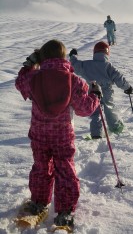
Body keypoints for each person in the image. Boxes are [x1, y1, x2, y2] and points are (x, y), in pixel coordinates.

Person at [15, 39, 101, 228]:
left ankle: (38, 203)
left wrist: (30, 64)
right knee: (65, 171)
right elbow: (85, 109)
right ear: (64, 58)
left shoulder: (33, 78)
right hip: (63, 137)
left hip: (39, 135)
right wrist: (95, 96)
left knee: (40, 167)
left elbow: (20, 82)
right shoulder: (74, 81)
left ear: (42, 57)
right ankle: (65, 212)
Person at [69, 41, 133, 139]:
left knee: (95, 111)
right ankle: (115, 127)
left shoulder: (87, 65)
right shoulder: (108, 66)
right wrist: (127, 87)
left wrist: (73, 56)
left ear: (95, 53)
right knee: (109, 107)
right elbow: (118, 78)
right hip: (107, 90)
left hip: (94, 90)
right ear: (107, 53)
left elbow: (75, 65)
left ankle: (96, 133)